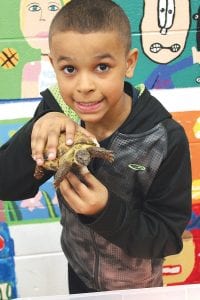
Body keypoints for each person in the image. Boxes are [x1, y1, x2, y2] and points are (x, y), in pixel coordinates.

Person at [0, 0, 192, 294]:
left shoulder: (164, 138)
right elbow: (7, 184)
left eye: (102, 67)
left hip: (137, 287)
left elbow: (167, 238)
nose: (84, 85)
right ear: (53, 66)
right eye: (69, 69)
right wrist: (39, 126)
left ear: (129, 63)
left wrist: (106, 210)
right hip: (79, 271)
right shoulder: (58, 112)